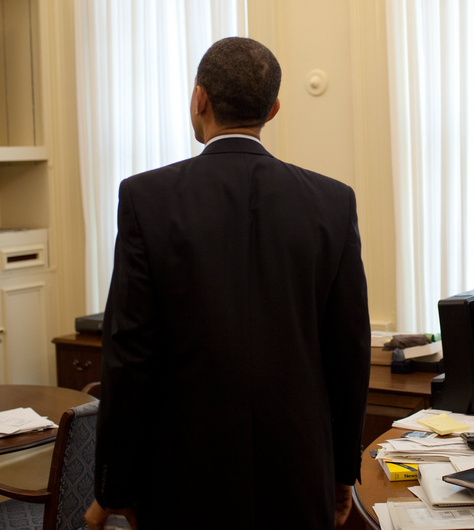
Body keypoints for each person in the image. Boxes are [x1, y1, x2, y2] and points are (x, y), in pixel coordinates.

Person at [84, 37, 371, 530]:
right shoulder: (332, 202)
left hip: (180, 479)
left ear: (199, 99)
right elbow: (348, 353)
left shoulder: (145, 199)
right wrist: (343, 472)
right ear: (274, 109)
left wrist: (113, 488)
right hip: (300, 473)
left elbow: (128, 356)